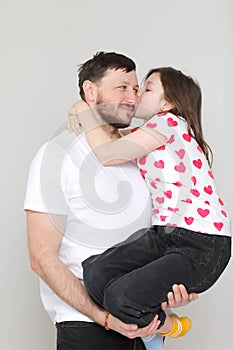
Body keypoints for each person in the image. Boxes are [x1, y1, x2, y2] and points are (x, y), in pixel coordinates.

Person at [24, 52, 196, 350]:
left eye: (135, 88)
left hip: (146, 326)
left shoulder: (140, 156)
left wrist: (171, 286)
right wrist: (103, 317)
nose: (133, 97)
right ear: (91, 91)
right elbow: (41, 258)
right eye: (122, 88)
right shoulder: (56, 155)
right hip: (88, 327)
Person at [66, 66, 231, 349]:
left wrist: (83, 109)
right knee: (95, 274)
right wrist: (82, 105)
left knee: (120, 296)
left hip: (202, 243)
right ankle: (149, 313)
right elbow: (110, 135)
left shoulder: (168, 123)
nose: (137, 93)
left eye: (147, 88)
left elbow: (110, 153)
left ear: (167, 104)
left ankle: (170, 325)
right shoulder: (152, 130)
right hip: (164, 236)